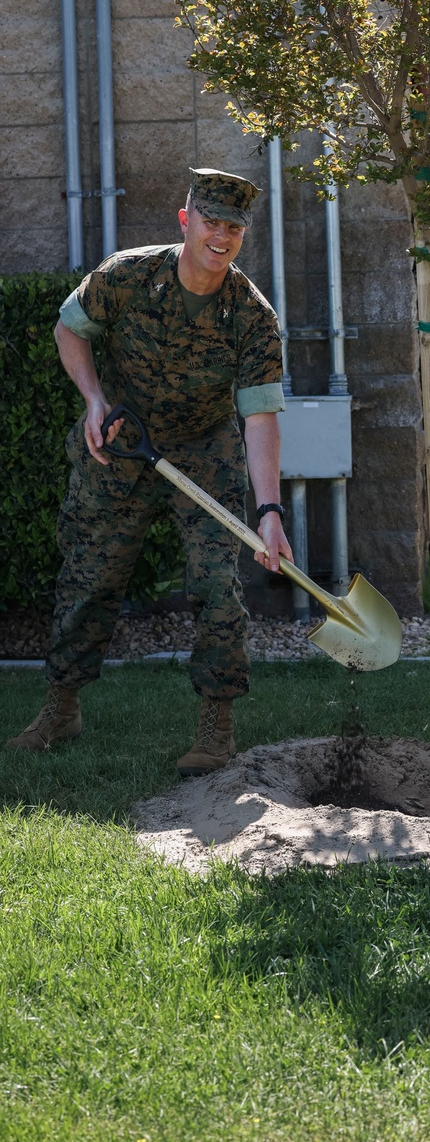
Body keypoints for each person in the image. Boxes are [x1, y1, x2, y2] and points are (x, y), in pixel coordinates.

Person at [6, 168, 292, 776]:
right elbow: (69, 329)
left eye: (235, 227)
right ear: (186, 220)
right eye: (212, 222)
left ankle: (216, 725)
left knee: (218, 584)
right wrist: (93, 399)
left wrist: (269, 515)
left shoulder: (252, 316)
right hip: (120, 438)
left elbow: (261, 420)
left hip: (204, 451)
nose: (222, 236)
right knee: (89, 578)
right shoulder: (127, 275)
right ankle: (61, 708)